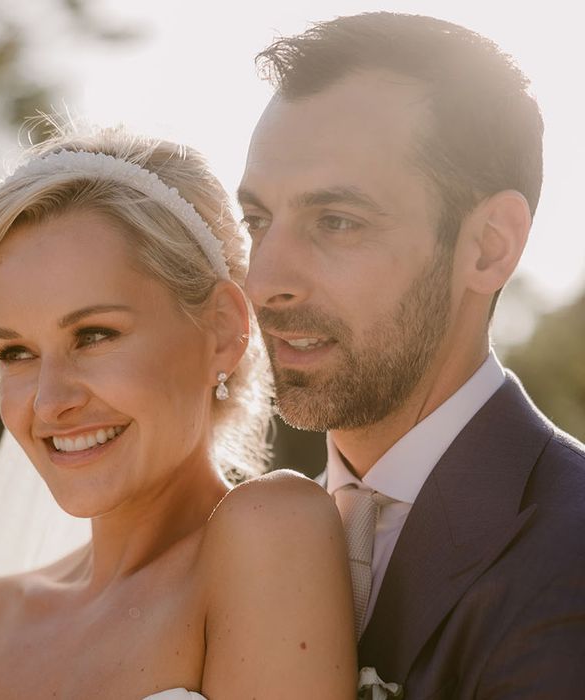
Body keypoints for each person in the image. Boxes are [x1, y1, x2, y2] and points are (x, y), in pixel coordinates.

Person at [0, 126, 358, 699]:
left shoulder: (272, 532)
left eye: (94, 335)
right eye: (16, 353)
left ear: (222, 329)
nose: (50, 401)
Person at [239, 11, 585, 699]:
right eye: (257, 222)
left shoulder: (570, 553)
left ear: (488, 245)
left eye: (336, 222)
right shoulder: (240, 552)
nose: (263, 282)